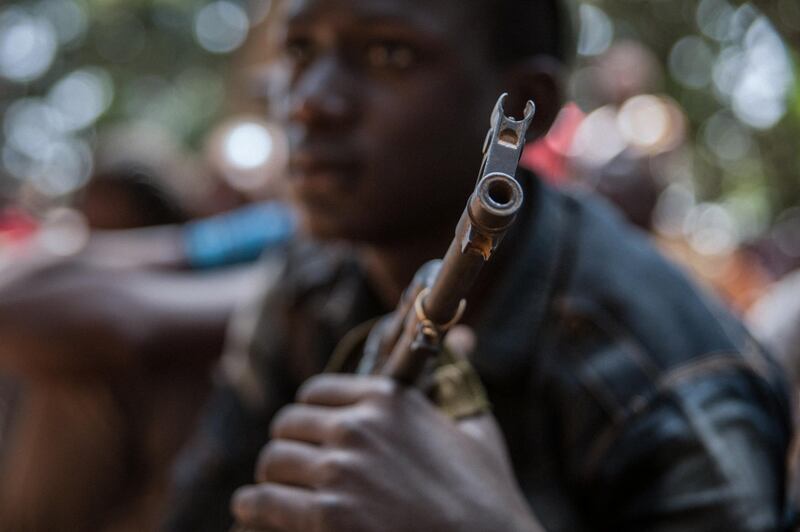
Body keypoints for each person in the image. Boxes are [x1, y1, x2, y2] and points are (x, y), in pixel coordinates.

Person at [163, 0, 794, 531]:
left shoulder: (671, 387)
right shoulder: (313, 269)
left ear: (526, 104)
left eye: (388, 53)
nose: (309, 102)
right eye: (298, 51)